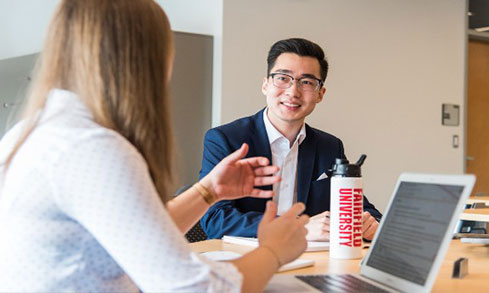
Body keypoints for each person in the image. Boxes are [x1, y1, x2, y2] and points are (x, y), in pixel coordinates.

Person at [0, 1, 310, 292]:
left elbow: (137, 232)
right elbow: (192, 288)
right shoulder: (92, 148)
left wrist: (208, 190)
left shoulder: (36, 132)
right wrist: (274, 251)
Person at [200, 38, 382, 241]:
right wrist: (297, 227)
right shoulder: (225, 139)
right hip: (242, 259)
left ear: (320, 94)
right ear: (265, 85)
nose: (293, 92)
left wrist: (370, 225)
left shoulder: (330, 147)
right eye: (283, 78)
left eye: (306, 82)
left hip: (309, 260)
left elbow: (360, 208)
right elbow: (214, 218)